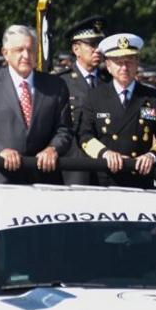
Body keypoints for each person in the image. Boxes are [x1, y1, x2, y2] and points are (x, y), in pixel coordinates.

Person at [0, 25, 72, 185]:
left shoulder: (55, 85)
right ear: (5, 53)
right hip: (3, 179)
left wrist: (52, 149)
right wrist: (1, 151)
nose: (26, 55)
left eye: (31, 50)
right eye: (19, 50)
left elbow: (64, 130)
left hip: (44, 180)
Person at [79, 33, 156, 188]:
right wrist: (105, 154)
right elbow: (84, 135)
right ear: (108, 65)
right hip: (105, 180)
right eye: (118, 62)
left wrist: (152, 156)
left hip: (140, 179)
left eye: (129, 61)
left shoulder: (152, 97)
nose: (124, 67)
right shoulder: (95, 97)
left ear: (137, 63)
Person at [60, 16, 108, 185]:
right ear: (76, 49)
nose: (98, 50)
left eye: (100, 46)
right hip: (73, 167)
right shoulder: (61, 83)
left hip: (105, 166)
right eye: (92, 45)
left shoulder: (109, 82)